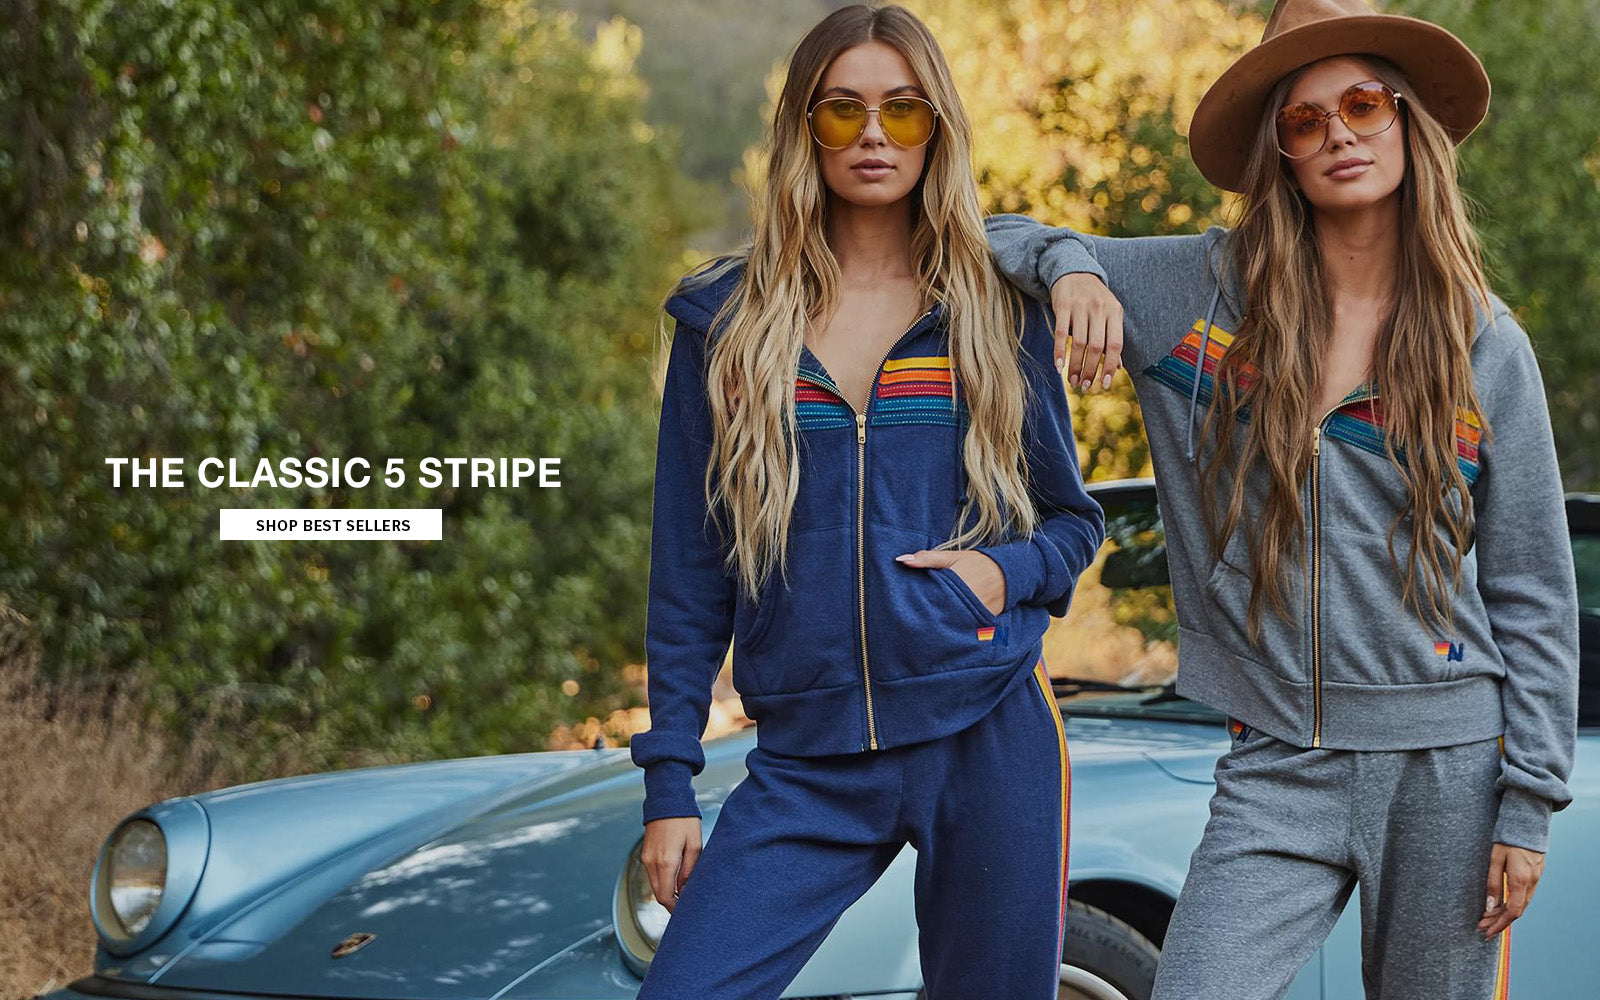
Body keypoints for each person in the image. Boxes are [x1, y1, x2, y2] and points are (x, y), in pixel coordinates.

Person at [983, 1, 1579, 997]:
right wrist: (1071, 266)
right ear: (1281, 153)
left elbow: (1530, 583)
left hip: (1448, 765)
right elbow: (987, 233)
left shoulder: (1484, 344)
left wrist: (1527, 805)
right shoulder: (1200, 292)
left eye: (1362, 103)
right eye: (1305, 120)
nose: (1338, 132)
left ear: (1405, 123)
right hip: (1275, 763)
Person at [627, 5, 1105, 998]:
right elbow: (686, 568)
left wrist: (994, 573)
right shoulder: (723, 323)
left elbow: (1072, 523)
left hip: (989, 733)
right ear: (805, 130)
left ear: (937, 127)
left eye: (903, 110)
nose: (875, 136)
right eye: (842, 112)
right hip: (807, 758)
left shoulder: (991, 309)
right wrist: (668, 780)